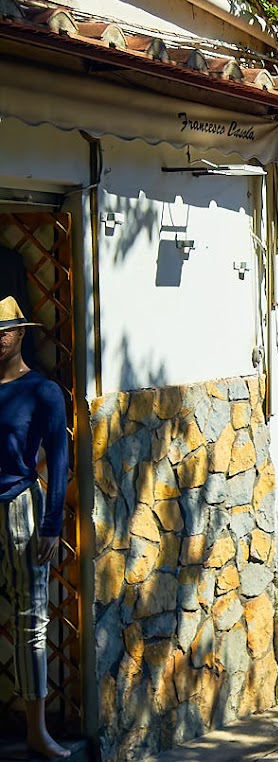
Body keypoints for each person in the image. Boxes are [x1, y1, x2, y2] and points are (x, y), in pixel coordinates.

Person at [0, 291, 69, 760]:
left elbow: (59, 459)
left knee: (31, 617)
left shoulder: (41, 391)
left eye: (4, 330)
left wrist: (52, 523)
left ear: (21, 333)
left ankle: (37, 731)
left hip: (20, 505)